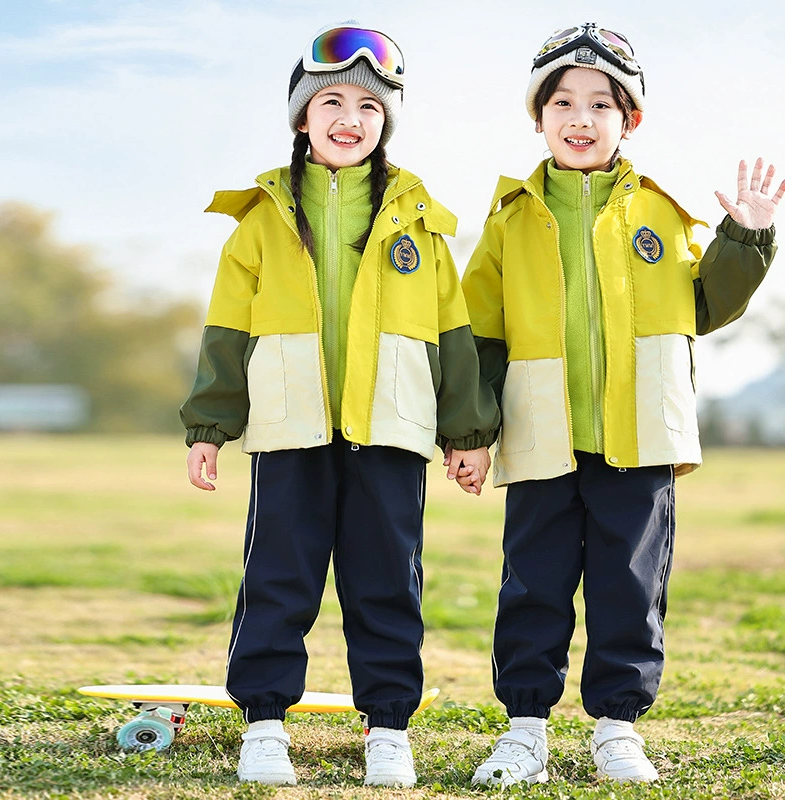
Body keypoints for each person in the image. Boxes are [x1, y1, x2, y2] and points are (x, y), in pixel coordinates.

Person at [460, 22, 783, 787]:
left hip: (640, 438)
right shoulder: (508, 221)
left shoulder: (663, 215)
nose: (581, 118)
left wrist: (749, 236)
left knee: (630, 589)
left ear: (629, 119)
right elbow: (480, 336)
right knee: (531, 583)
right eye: (562, 102)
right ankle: (525, 728)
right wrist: (470, 431)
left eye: (602, 104)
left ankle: (616, 727)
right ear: (537, 118)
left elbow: (704, 305)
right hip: (541, 435)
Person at [180, 21, 499, 788]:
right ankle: (264, 723)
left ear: (387, 123)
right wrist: (209, 428)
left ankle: (387, 726)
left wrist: (468, 432)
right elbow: (226, 333)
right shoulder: (257, 222)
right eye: (331, 100)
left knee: (388, 580)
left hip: (389, 432)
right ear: (301, 116)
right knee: (277, 578)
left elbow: (451, 337)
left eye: (369, 105)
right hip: (289, 431)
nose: (349, 117)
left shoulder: (419, 222)